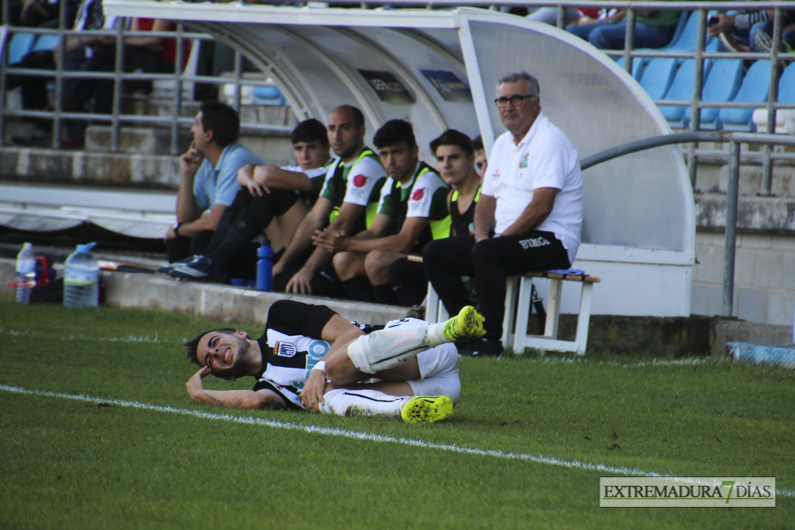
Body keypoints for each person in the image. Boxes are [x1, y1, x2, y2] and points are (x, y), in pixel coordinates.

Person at [423, 72, 583, 357]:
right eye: (502, 100)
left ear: (536, 102)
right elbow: (486, 200)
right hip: (506, 241)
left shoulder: (548, 141)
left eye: (516, 99)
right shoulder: (501, 144)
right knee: (435, 252)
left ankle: (489, 341)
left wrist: (492, 243)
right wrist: (483, 236)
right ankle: (466, 333)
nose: (508, 106)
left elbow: (542, 206)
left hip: (553, 241)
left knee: (487, 253)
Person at [183, 300, 487, 423]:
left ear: (237, 332)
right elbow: (254, 403)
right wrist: (200, 395)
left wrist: (319, 370)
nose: (216, 352)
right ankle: (408, 411)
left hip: (423, 349)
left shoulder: (280, 318)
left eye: (214, 342)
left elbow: (348, 332)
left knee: (334, 371)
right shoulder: (272, 388)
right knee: (324, 399)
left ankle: (447, 330)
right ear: (229, 378)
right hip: (435, 392)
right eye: (209, 359)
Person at [162, 118, 331, 282]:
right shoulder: (295, 169)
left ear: (326, 148)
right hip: (282, 245)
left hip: (312, 249)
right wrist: (250, 181)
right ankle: (208, 259)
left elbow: (265, 175)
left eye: (312, 148)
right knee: (204, 236)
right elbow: (244, 172)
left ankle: (213, 260)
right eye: (299, 149)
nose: (305, 156)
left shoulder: (329, 171)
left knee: (269, 191)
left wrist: (255, 179)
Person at [313, 119, 449, 305]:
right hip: (410, 258)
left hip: (436, 260)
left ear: (414, 151)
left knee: (377, 260)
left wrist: (349, 243)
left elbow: (403, 242)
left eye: (396, 152)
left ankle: (398, 320)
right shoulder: (392, 183)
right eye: (384, 154)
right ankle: (376, 319)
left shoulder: (427, 181)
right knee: (343, 260)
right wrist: (339, 244)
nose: (390, 161)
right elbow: (375, 231)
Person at [271, 105, 387, 296]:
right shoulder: (338, 165)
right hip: (339, 250)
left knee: (294, 287)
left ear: (361, 132)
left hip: (359, 253)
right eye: (332, 129)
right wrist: (282, 263)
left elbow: (342, 224)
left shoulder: (366, 165)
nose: (337, 136)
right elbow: (313, 218)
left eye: (345, 128)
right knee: (278, 279)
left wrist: (308, 270)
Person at [388, 129, 483, 308]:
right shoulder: (451, 197)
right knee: (402, 268)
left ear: (471, 160)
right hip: (466, 267)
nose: (446, 165)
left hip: (486, 264)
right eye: (440, 159)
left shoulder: (485, 191)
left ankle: (462, 320)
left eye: (454, 158)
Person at [164, 102, 263, 264]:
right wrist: (187, 174)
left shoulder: (236, 160)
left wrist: (178, 230)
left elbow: (216, 222)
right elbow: (185, 218)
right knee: (177, 243)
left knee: (202, 240)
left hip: (258, 244)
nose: (192, 130)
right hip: (230, 237)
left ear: (208, 135)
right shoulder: (207, 163)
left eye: (196, 124)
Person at [567, 6, 680, 50]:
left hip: (660, 29)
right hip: (630, 23)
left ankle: (603, 85)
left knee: (599, 35)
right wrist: (599, 21)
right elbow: (629, 9)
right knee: (571, 32)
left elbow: (646, 10)